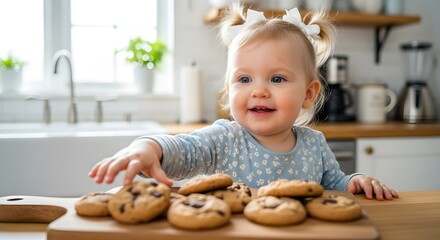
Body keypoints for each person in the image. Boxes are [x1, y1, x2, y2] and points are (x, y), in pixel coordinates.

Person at [89, 3, 398, 200]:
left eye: (277, 79)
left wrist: (356, 181)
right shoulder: (224, 139)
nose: (259, 91)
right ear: (228, 88)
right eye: (244, 79)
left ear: (308, 94)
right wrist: (148, 148)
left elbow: (336, 184)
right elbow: (181, 150)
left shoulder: (314, 145)